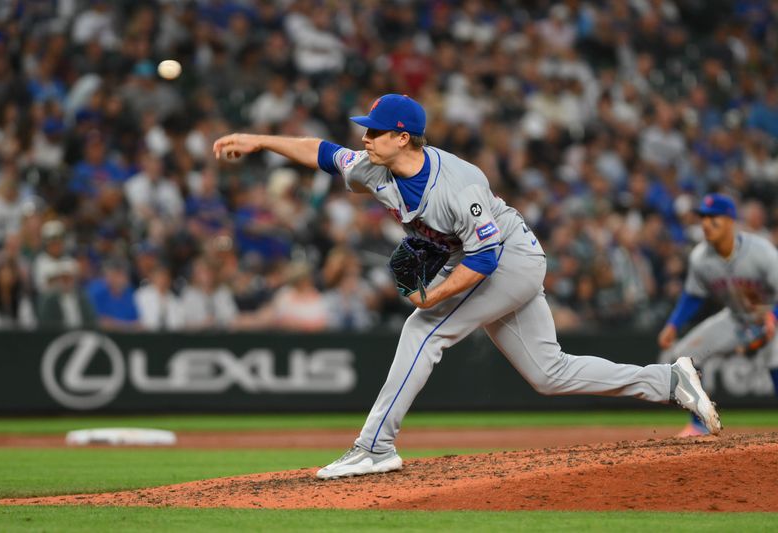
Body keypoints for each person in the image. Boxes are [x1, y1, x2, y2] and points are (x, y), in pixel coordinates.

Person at [213, 93, 721, 480]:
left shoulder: (459, 185)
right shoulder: (372, 167)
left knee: (423, 330)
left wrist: (431, 298)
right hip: (489, 262)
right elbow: (321, 151)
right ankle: (670, 382)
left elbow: (484, 257)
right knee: (550, 373)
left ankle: (374, 448)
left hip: (508, 260)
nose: (364, 138)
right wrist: (260, 141)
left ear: (403, 137)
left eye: (374, 132)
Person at [658, 194, 778, 436]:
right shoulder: (700, 257)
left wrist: (773, 316)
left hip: (770, 315)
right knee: (682, 356)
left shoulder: (761, 250)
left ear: (731, 221)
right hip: (735, 318)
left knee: (775, 357)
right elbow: (693, 295)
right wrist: (673, 323)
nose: (706, 223)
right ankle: (699, 423)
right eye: (703, 217)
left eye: (714, 217)